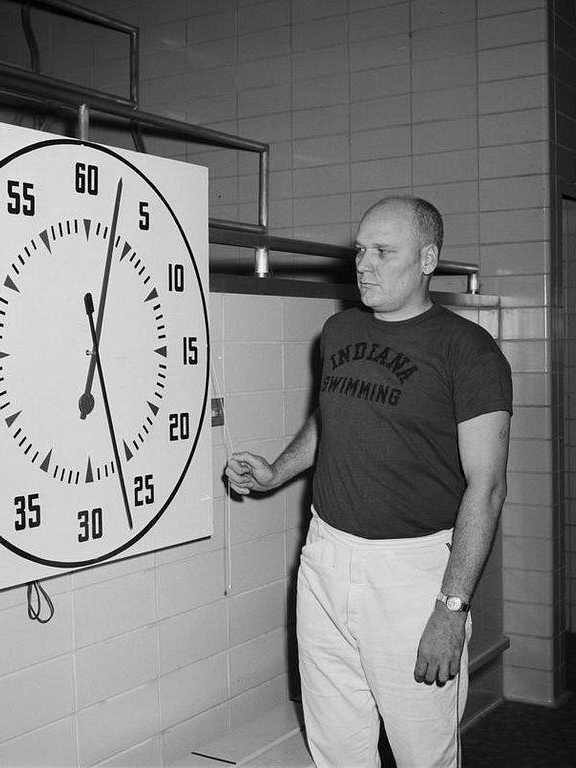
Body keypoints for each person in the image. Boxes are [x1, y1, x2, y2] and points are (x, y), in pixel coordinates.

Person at [225, 196, 512, 768]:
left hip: (413, 576)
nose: (364, 264)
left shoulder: (469, 352)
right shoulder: (338, 329)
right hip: (325, 556)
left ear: (428, 258)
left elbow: (487, 486)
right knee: (335, 748)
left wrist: (451, 609)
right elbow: (331, 417)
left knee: (422, 754)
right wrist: (276, 472)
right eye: (361, 251)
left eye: (384, 252)